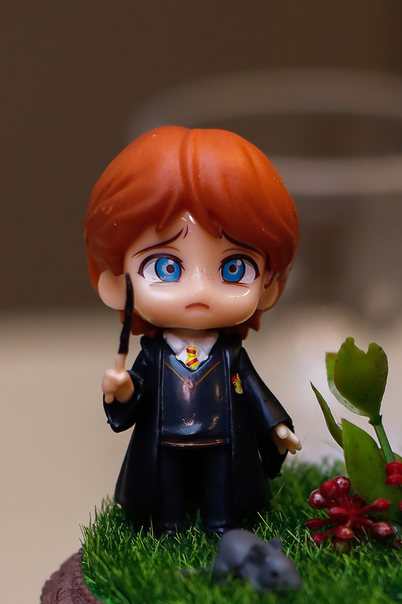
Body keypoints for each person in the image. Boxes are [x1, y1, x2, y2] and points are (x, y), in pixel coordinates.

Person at [83, 125, 301, 535]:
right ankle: (169, 525)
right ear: (115, 282)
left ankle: (221, 523)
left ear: (268, 286)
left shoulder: (230, 354)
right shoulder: (153, 354)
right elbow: (134, 395)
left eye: (234, 268)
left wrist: (275, 426)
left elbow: (255, 392)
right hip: (165, 440)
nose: (200, 290)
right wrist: (122, 389)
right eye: (166, 267)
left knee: (222, 487)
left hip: (222, 440)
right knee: (166, 488)